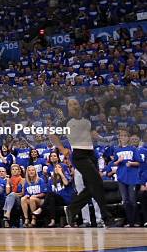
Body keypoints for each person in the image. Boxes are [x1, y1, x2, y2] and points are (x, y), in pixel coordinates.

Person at [49, 98, 123, 228]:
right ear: (68, 108)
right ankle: (107, 218)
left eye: (75, 103)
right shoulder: (65, 122)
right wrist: (62, 148)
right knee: (97, 184)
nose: (74, 106)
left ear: (79, 105)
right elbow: (52, 136)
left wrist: (106, 139)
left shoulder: (87, 119)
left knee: (93, 186)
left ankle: (72, 208)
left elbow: (94, 135)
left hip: (91, 154)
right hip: (79, 155)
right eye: (71, 105)